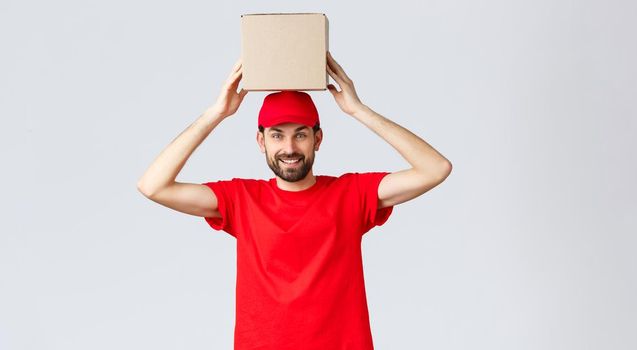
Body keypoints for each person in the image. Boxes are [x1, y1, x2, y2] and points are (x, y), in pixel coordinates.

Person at [137, 51, 452, 349]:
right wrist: (215, 113)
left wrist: (359, 110)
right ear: (261, 141)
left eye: (300, 134)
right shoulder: (240, 199)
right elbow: (153, 186)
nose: (289, 147)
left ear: (318, 139)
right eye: (277, 135)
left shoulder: (352, 194)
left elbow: (435, 168)